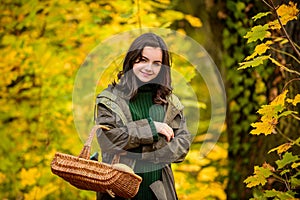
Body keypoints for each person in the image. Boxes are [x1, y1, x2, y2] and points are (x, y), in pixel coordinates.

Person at [95, 32, 191, 200]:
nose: (149, 68)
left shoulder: (170, 103)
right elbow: (107, 139)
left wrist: (139, 151)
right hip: (118, 192)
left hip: (158, 192)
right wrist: (152, 129)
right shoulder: (110, 98)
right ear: (132, 60)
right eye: (143, 60)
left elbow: (182, 147)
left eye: (156, 63)